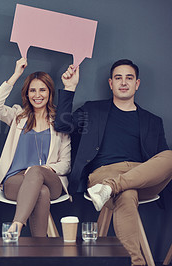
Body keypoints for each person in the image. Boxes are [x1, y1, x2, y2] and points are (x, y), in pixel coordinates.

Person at [55, 59, 172, 265]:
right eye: (118, 78)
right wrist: (69, 88)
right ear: (111, 83)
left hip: (140, 177)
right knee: (126, 194)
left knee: (169, 157)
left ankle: (110, 188)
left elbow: (160, 165)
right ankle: (137, 263)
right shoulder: (92, 110)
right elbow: (63, 125)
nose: (124, 82)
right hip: (103, 173)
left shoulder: (153, 121)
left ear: (137, 84)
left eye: (129, 78)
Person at [0, 58, 71, 237]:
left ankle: (16, 225)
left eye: (42, 90)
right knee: (41, 192)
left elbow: (66, 164)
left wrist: (44, 169)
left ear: (50, 92)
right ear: (26, 93)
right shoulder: (18, 116)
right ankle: (39, 249)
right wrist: (17, 73)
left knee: (36, 172)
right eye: (32, 90)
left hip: (51, 179)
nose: (37, 94)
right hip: (15, 181)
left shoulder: (60, 121)